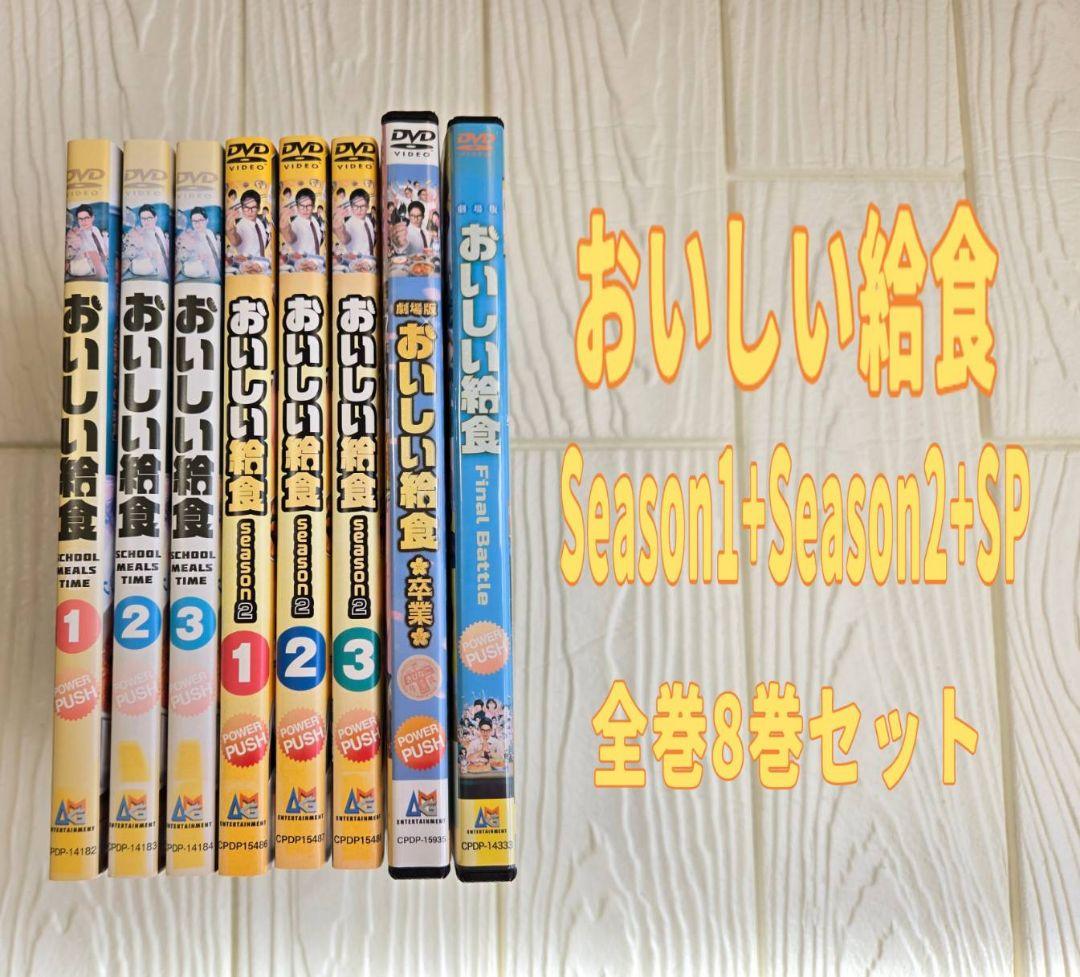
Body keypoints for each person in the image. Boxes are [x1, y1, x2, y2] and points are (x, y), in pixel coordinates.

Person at [177, 206, 221, 278]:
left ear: (207, 220)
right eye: (194, 221)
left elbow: (215, 252)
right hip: (198, 272)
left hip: (214, 269)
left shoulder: (209, 233)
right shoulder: (190, 237)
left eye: (200, 220)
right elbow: (183, 255)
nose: (197, 224)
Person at [280, 186, 323, 260]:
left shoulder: (314, 221)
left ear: (313, 207)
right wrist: (284, 227)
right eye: (302, 206)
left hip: (317, 262)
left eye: (308, 206)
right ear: (297, 207)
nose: (305, 209)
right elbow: (290, 237)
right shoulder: (295, 225)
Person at [66, 205, 108, 279]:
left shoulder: (95, 229)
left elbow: (102, 248)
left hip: (103, 261)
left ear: (92, 218)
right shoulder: (76, 235)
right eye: (80, 219)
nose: (83, 221)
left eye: (86, 218)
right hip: (87, 265)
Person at [333, 187, 376, 259]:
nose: (359, 210)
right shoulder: (350, 224)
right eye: (355, 206)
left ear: (368, 207)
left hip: (371, 261)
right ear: (351, 207)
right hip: (356, 263)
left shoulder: (368, 221)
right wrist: (339, 228)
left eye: (363, 206)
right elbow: (345, 238)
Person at [226, 189, 268, 258]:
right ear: (242, 209)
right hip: (246, 264)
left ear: (259, 208)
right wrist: (230, 231)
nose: (250, 211)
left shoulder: (259, 223)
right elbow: (235, 240)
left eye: (253, 207)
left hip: (263, 263)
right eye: (246, 208)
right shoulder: (241, 226)